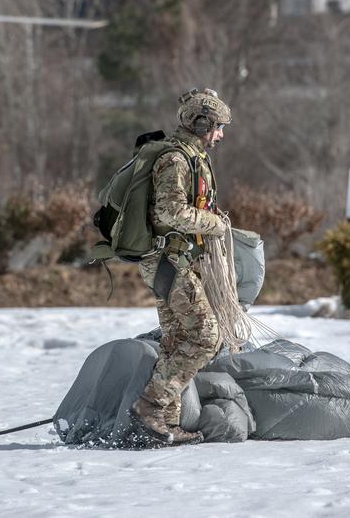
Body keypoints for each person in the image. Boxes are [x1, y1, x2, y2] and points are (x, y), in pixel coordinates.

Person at [130, 88, 231, 445]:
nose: (220, 135)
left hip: (171, 262)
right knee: (206, 337)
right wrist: (215, 224)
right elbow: (170, 212)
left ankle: (165, 424)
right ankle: (150, 406)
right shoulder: (176, 159)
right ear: (201, 124)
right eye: (218, 127)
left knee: (177, 340)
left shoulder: (192, 157)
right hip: (168, 263)